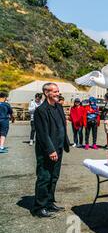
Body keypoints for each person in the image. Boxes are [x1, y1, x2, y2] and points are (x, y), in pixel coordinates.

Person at [33, 83, 70, 218]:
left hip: (59, 148)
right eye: (54, 91)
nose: (57, 93)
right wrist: (50, 150)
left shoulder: (59, 107)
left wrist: (65, 143)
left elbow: (62, 126)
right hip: (47, 150)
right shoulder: (41, 111)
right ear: (46, 93)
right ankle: (39, 207)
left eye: (58, 91)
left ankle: (49, 202)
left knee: (54, 177)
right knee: (44, 177)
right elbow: (42, 133)